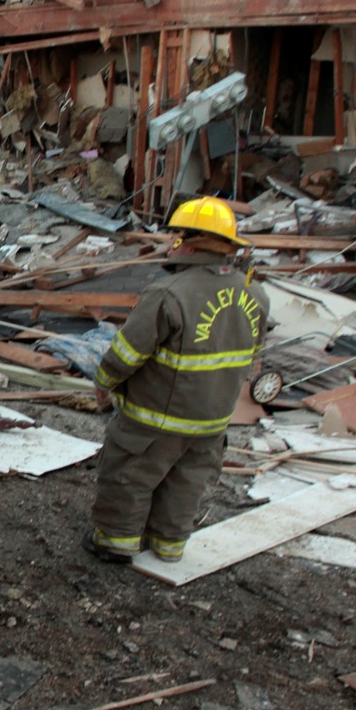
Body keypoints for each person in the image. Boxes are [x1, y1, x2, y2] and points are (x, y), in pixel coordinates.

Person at [84, 197, 270, 564]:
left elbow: (127, 353)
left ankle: (115, 543)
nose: (171, 243)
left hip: (158, 418)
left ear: (192, 242)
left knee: (130, 475)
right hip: (213, 421)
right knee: (187, 481)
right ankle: (168, 545)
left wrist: (104, 383)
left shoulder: (169, 293)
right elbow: (252, 353)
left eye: (176, 236)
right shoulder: (255, 293)